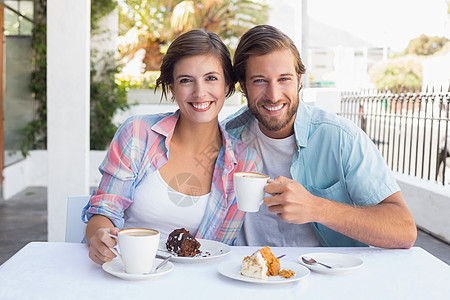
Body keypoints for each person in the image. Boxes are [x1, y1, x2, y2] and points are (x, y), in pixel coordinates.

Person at [223, 25, 417, 248]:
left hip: (325, 278)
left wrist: (316, 208)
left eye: (284, 79)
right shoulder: (224, 137)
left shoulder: (342, 138)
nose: (274, 95)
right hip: (245, 275)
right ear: (244, 87)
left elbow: (404, 231)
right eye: (259, 81)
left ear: (299, 79)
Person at [83, 29, 261, 265]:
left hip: (196, 282)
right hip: (127, 269)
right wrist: (99, 235)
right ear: (172, 86)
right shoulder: (137, 134)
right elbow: (105, 210)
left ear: (227, 83)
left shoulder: (244, 162)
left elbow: (221, 248)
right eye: (186, 80)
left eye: (211, 78)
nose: (199, 93)